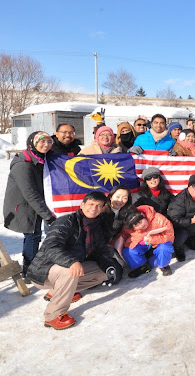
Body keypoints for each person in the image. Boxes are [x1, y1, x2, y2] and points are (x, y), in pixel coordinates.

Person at [27, 192, 122, 330]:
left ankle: (59, 292)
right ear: (82, 205)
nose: (93, 208)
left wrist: (109, 266)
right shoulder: (66, 221)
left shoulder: (96, 226)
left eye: (98, 206)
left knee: (105, 273)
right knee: (69, 271)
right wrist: (71, 262)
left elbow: (100, 251)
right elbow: (50, 247)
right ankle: (53, 315)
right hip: (43, 270)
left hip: (66, 270)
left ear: (102, 209)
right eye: (90, 204)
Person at [3, 131, 57, 279]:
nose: (46, 145)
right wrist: (47, 215)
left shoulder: (40, 158)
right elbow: (30, 193)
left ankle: (32, 266)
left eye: (48, 142)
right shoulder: (23, 164)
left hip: (34, 204)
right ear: (32, 143)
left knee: (35, 235)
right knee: (32, 235)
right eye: (42, 141)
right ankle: (29, 270)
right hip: (22, 206)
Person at [117, 205, 175, 278]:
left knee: (164, 248)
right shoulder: (128, 226)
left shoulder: (158, 218)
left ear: (143, 215)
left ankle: (164, 266)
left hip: (159, 242)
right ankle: (142, 267)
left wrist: (152, 239)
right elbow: (123, 234)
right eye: (136, 226)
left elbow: (169, 236)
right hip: (141, 243)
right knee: (128, 251)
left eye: (141, 222)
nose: (141, 226)